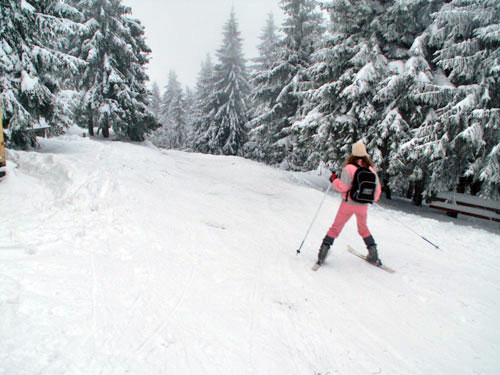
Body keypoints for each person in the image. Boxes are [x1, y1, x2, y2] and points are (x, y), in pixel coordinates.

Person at [315, 141, 382, 267]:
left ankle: (322, 254)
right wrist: (372, 199)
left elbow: (343, 187)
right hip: (363, 205)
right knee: (363, 228)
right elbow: (377, 189)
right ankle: (373, 254)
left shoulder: (349, 168)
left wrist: (334, 180)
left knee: (336, 228)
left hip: (348, 204)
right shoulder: (371, 169)